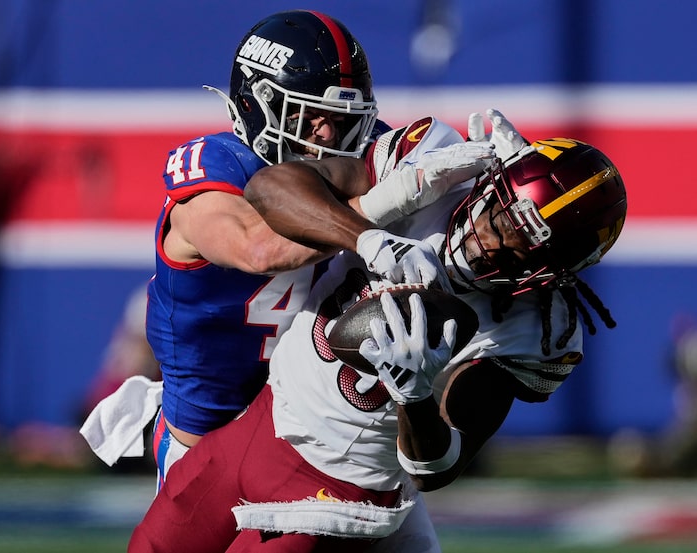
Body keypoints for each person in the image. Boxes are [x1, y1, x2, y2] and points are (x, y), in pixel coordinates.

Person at [128, 112, 628, 552]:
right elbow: (273, 188)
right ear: (492, 182)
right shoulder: (432, 164)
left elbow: (438, 469)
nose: (490, 243)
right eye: (500, 216)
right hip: (259, 423)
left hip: (333, 497)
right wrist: (375, 225)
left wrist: (412, 396)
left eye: (524, 249)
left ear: (556, 273)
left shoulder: (534, 328)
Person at [79, 9, 494, 486]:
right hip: (211, 439)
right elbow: (260, 247)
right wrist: (391, 198)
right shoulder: (215, 170)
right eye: (313, 115)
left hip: (329, 432)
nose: (329, 133)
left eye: (344, 117)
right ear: (260, 104)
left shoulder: (364, 154)